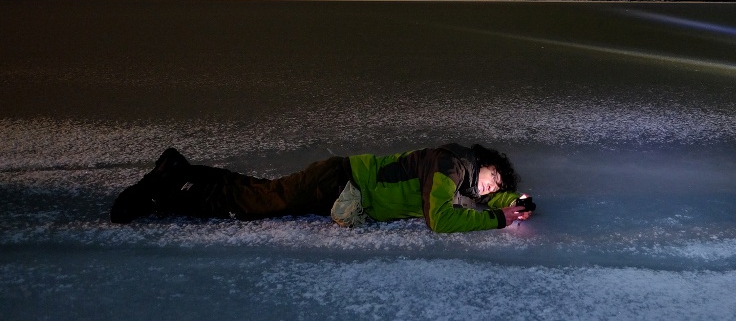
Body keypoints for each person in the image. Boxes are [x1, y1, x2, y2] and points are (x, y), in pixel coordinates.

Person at [109, 143, 534, 233]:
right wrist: (500, 218)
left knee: (262, 191)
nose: (489, 189)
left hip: (341, 184)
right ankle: (163, 189)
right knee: (258, 203)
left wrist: (515, 202)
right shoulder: (451, 164)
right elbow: (439, 219)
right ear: (485, 162)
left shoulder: (465, 179)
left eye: (494, 189)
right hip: (339, 180)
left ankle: (181, 171)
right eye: (494, 179)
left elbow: (482, 196)